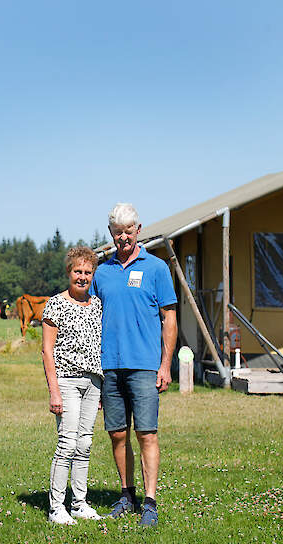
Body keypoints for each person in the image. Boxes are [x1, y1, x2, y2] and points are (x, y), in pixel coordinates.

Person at [91, 203, 177, 527]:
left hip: (144, 366)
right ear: (111, 234)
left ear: (138, 230)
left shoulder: (156, 269)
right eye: (117, 232)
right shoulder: (102, 273)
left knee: (147, 434)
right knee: (116, 434)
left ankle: (150, 502)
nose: (123, 237)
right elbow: (92, 318)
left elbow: (169, 318)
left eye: (129, 231)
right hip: (109, 366)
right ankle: (127, 494)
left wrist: (165, 364)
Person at [41, 246, 105, 525]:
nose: (82, 277)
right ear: (69, 272)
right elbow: (46, 350)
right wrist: (54, 390)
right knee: (67, 443)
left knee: (85, 443)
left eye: (87, 272)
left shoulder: (97, 305)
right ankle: (57, 507)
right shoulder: (56, 304)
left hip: (93, 382)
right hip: (67, 381)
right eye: (77, 271)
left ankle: (79, 502)